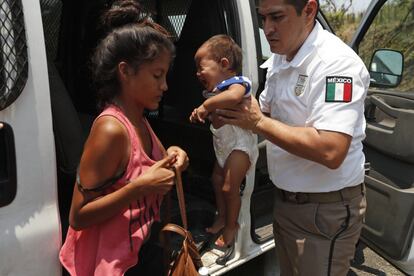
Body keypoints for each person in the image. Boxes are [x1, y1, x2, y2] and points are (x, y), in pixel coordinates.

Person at [216, 0, 369, 275]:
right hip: (287, 203)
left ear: (309, 11)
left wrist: (259, 122)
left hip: (324, 212)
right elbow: (264, 109)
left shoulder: (336, 65)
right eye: (262, 18)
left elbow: (331, 150)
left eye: (276, 17)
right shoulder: (281, 56)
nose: (267, 29)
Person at [59, 1, 189, 275]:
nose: (165, 86)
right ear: (125, 71)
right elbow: (78, 215)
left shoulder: (139, 119)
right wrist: (141, 188)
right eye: (157, 75)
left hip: (140, 252)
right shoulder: (111, 129)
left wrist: (175, 154)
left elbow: (153, 164)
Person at [189, 35, 258, 265]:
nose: (198, 74)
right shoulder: (213, 91)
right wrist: (201, 111)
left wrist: (207, 106)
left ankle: (231, 225)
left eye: (202, 67)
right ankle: (221, 215)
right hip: (223, 146)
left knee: (230, 186)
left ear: (225, 64)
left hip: (240, 146)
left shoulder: (237, 83)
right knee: (216, 181)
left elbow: (235, 97)